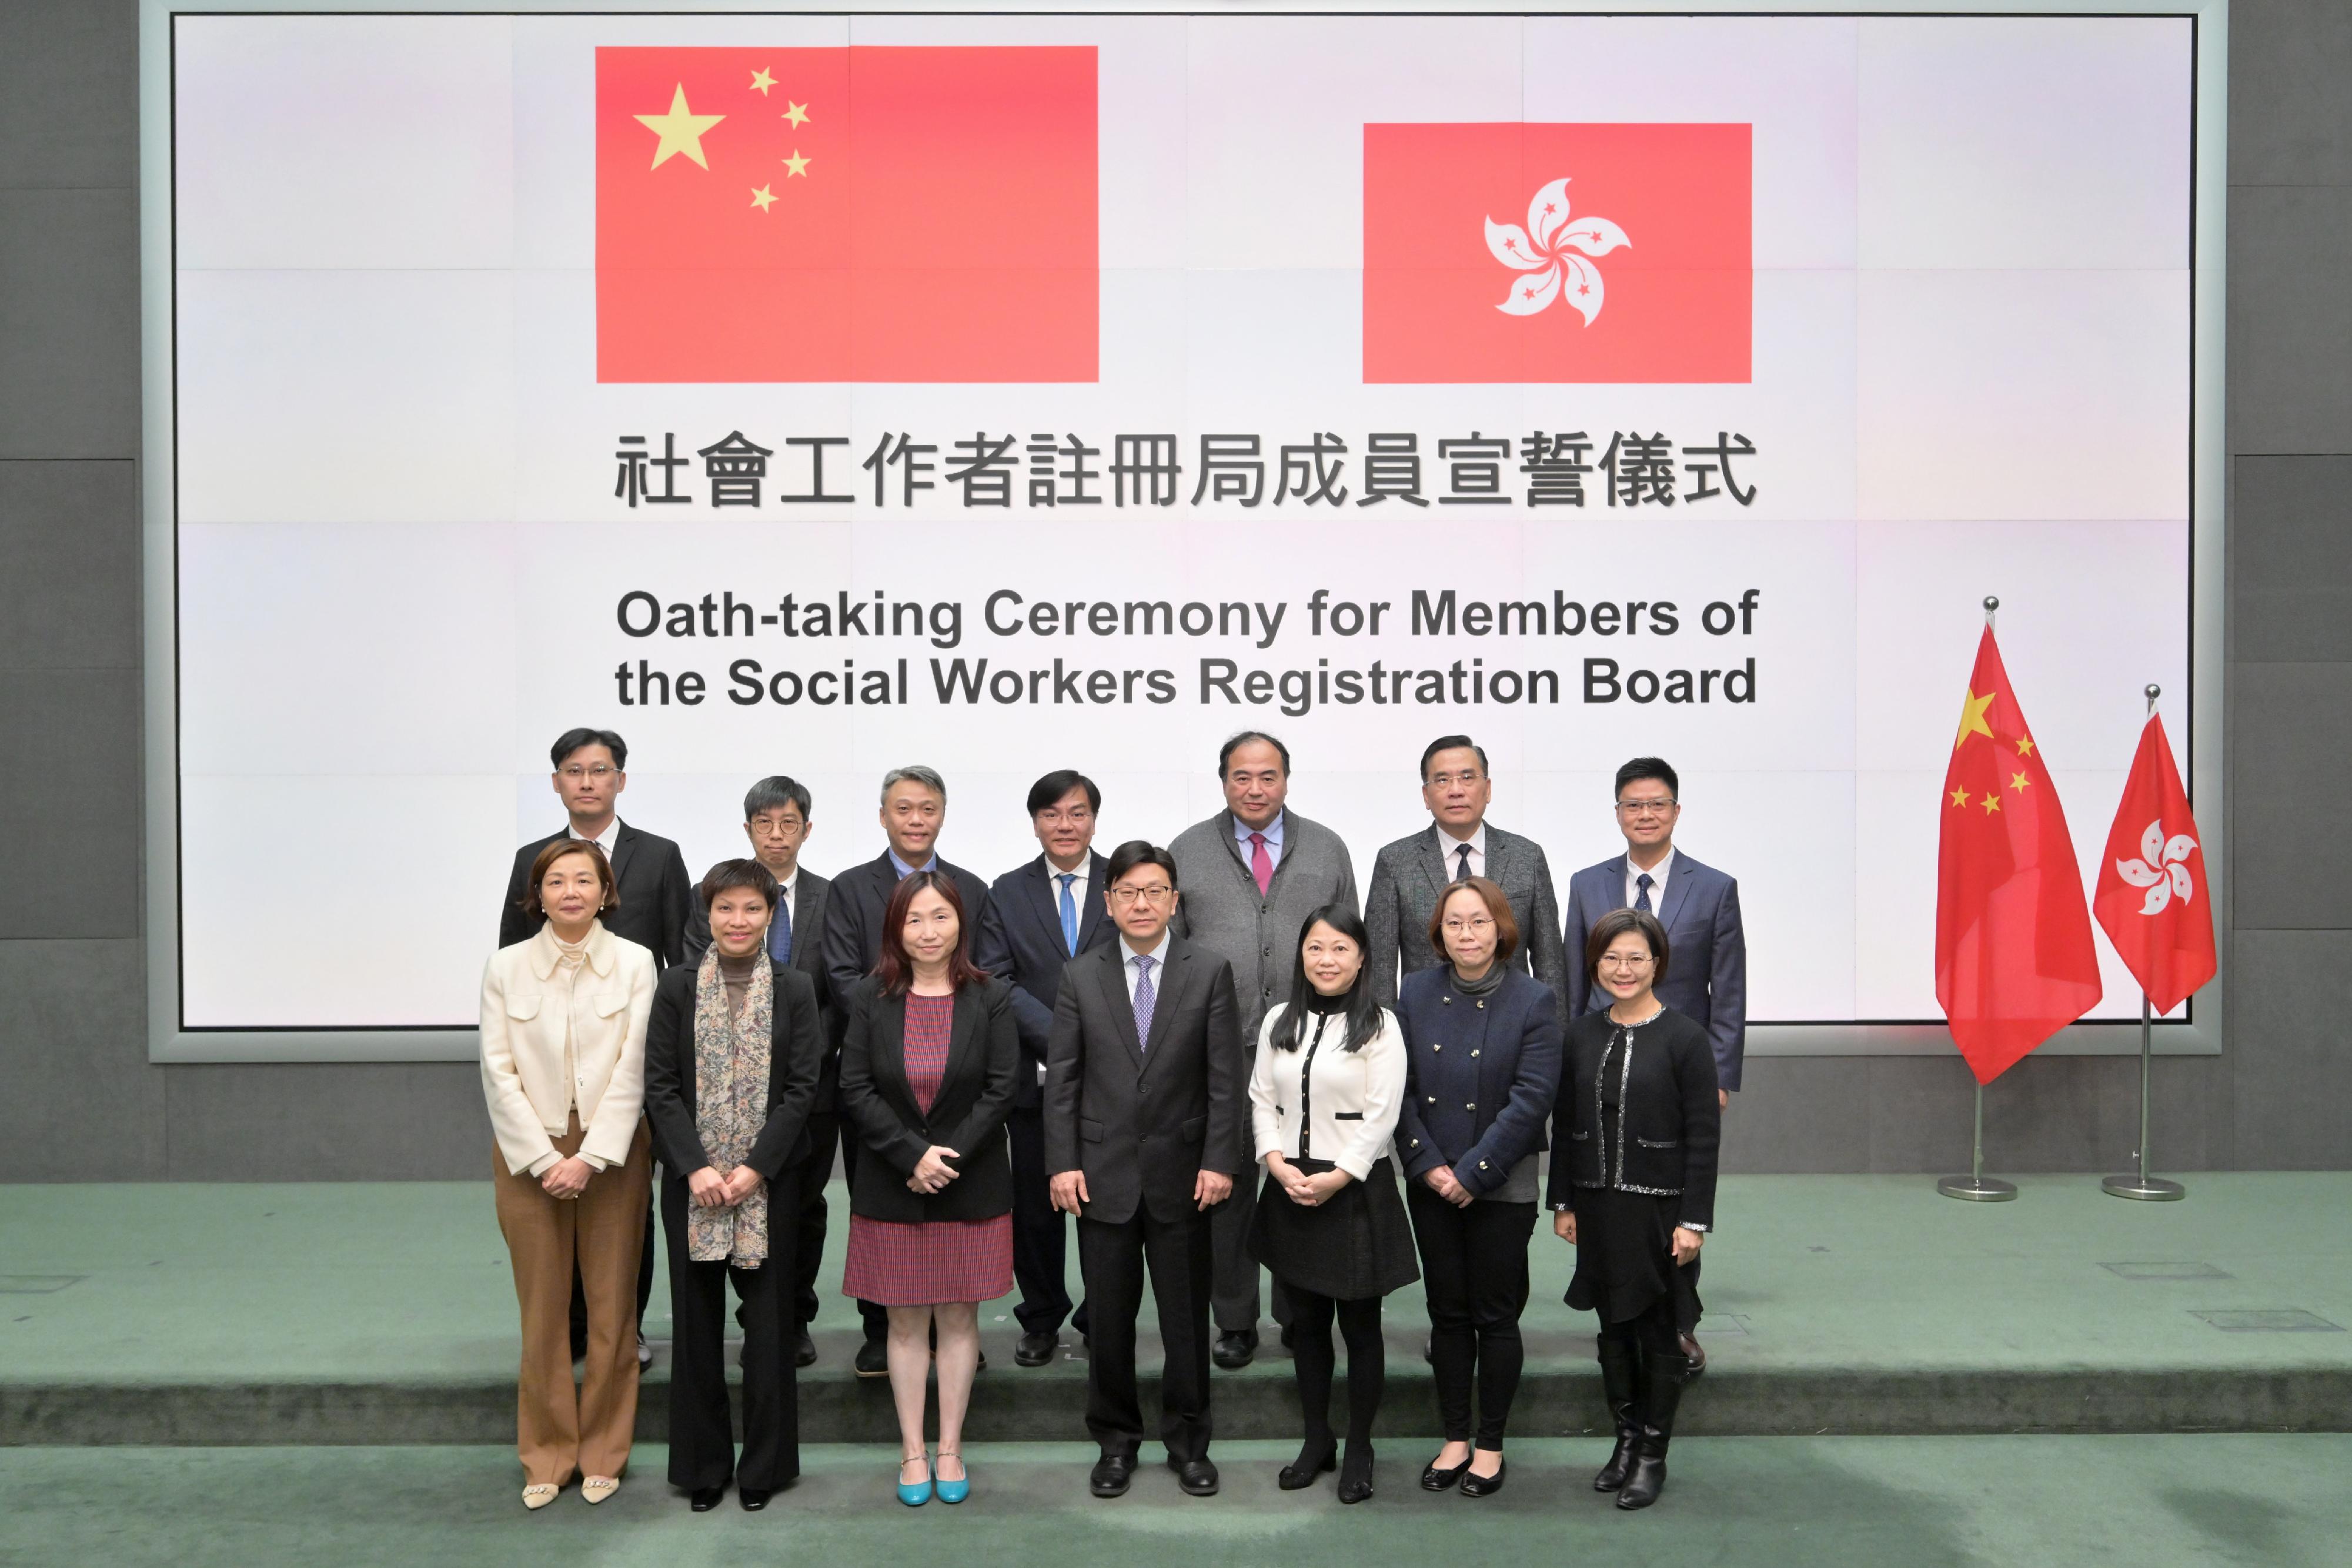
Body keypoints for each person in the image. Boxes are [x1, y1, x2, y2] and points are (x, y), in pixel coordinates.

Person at [1044, 841, 1244, 1501]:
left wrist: (1220, 1159)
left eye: (1154, 891)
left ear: (1174, 900)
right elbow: (1063, 1082)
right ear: (1108, 902)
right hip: (1099, 1176)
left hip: (1185, 1176)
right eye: (1127, 892)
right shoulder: (1080, 975)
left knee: (1186, 1321)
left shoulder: (1208, 970)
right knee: (1108, 1321)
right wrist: (1062, 1163)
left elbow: (1224, 1079)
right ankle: (1114, 1441)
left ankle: (1189, 1443)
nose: (1140, 903)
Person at [499, 726, 689, 1368]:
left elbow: (679, 961)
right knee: (553, 1213)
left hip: (626, 1064)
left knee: (624, 1205)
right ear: (557, 783)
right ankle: (571, 1331)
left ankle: (623, 1328)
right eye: (574, 771)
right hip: (551, 1067)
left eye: (600, 770)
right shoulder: (534, 856)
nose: (587, 782)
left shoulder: (660, 856)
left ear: (620, 781)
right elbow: (513, 955)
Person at [1168, 731, 1359, 1368]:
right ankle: (1234, 1317)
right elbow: (1171, 956)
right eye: (1242, 776)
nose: (1255, 788)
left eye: (1268, 776)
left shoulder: (1327, 848)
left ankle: (1297, 1312)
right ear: (1223, 780)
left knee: (1297, 1180)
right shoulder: (1187, 851)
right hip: (1216, 1048)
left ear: (1286, 779)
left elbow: (1352, 946)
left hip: (1306, 1050)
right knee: (1226, 1185)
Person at [643, 859, 826, 1513]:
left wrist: (754, 1168)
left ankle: (764, 1470)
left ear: (771, 916)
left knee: (771, 1331)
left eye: (752, 909)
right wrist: (695, 1167)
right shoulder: (675, 987)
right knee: (695, 1329)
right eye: (726, 908)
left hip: (770, 1183)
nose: (738, 921)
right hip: (691, 1183)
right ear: (707, 915)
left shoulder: (797, 988)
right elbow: (659, 1086)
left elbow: (804, 1088)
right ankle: (702, 1468)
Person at [479, 838, 656, 1510]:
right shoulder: (506, 967)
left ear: (607, 890)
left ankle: (604, 1451)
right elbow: (498, 1073)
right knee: (544, 1312)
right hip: (530, 1153)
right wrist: (548, 1158)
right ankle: (547, 1454)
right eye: (558, 881)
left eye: (586, 879)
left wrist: (592, 1155)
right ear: (538, 894)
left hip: (612, 1153)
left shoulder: (636, 963)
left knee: (613, 1310)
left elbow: (636, 1068)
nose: (572, 891)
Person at [836, 871, 1021, 1507]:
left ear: (960, 924)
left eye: (940, 917)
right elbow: (854, 1087)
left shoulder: (990, 996)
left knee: (960, 1318)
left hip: (970, 1185)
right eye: (914, 919)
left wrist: (948, 1157)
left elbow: (1003, 1087)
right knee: (906, 1322)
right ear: (895, 927)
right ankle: (912, 1449)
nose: (928, 931)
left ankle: (951, 1447)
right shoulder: (870, 996)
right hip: (892, 1182)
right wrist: (911, 1156)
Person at [1561, 757, 1745, 1374]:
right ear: (1617, 813)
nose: (1645, 814)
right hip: (1602, 1065)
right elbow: (1569, 982)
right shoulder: (1586, 884)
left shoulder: (1714, 886)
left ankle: (1680, 1322)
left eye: (1656, 804)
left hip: (1674, 1067)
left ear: (1675, 811)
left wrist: (1718, 1075)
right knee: (1612, 1200)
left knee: (1673, 1201)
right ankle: (1617, 1311)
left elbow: (1729, 989)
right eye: (1633, 805)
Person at [821, 765, 998, 1376]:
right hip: (879, 1079)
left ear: (942, 815)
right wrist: (890, 1028)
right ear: (882, 816)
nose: (916, 819)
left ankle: (953, 1338)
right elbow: (842, 974)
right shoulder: (848, 888)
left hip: (957, 1081)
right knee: (883, 1209)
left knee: (950, 1219)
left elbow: (989, 970)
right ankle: (883, 1330)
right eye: (903, 809)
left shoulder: (971, 888)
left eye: (927, 809)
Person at [1394, 877, 1562, 1498]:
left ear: (1501, 929)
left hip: (1501, 1183)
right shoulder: (1414, 993)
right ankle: (1454, 1436)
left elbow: (1532, 1099)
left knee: (1494, 1315)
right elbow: (1398, 1089)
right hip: (1431, 1177)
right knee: (1447, 1313)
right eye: (1455, 923)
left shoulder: (1534, 999)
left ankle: (1490, 1444)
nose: (1466, 934)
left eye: (1479, 922)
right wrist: (1429, 1165)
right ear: (1438, 933)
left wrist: (1475, 1173)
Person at [1550, 908, 1719, 1512]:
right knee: (1612, 1328)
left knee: (1659, 1332)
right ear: (1595, 965)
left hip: (1660, 1211)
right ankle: (1623, 1439)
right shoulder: (1581, 1034)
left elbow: (1704, 1136)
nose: (1623, 970)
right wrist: (1563, 1201)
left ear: (1657, 964)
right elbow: (1567, 1124)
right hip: (1597, 1207)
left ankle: (1652, 1453)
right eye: (1611, 959)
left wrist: (1694, 1220)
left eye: (1636, 958)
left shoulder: (1685, 1038)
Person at [1247, 906, 1416, 1505]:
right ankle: (1316, 1440)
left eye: (1340, 948)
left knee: (1361, 1328)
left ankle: (1361, 1446)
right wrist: (1274, 1162)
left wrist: (1339, 1176)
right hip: (1290, 1183)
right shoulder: (1278, 1019)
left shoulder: (1380, 1025)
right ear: (1301, 955)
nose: (1327, 960)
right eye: (1316, 947)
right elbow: (1262, 1099)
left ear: (1363, 956)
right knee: (1306, 1326)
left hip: (1353, 1189)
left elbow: (1382, 1114)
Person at [681, 777, 836, 1369]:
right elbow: (697, 980)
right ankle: (735, 1321)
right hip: (720, 1095)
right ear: (746, 829)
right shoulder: (714, 897)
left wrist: (806, 1057)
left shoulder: (830, 896)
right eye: (764, 824)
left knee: (802, 1206)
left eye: (788, 823)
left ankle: (790, 1317)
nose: (777, 835)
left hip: (807, 1088)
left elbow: (839, 988)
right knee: (722, 1198)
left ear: (806, 830)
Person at [974, 770, 1115, 1367]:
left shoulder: (1125, 882)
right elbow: (996, 977)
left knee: (1106, 1206)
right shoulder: (1005, 891)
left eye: (1077, 813)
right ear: (1035, 822)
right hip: (1034, 1077)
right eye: (1052, 814)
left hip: (1114, 1079)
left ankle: (1100, 1316)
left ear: (1093, 819)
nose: (1066, 825)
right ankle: (1041, 1317)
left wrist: (1098, 1041)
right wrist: (1062, 1038)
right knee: (1036, 1208)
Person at [1364, 735, 1569, 1017]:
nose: (1456, 790)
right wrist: (1384, 1043)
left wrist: (1553, 1038)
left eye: (1467, 777)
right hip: (1428, 1026)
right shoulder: (1395, 861)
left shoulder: (1527, 856)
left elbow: (1550, 962)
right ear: (1426, 795)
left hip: (1513, 1023)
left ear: (1488, 789)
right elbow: (1381, 970)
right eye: (1442, 780)